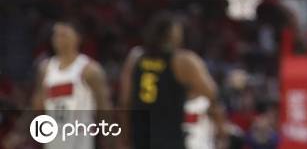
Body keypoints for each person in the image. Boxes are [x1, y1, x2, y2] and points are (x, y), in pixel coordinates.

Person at [118, 13, 223, 149]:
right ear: (172, 35)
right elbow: (212, 94)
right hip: (169, 138)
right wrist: (221, 128)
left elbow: (124, 102)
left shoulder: (135, 58)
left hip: (140, 137)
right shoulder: (182, 60)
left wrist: (123, 137)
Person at [30, 20, 112, 149]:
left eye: (64, 34)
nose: (59, 39)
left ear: (77, 38)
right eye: (56, 35)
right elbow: (37, 105)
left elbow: (104, 108)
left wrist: (108, 140)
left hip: (80, 142)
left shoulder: (89, 69)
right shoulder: (46, 68)